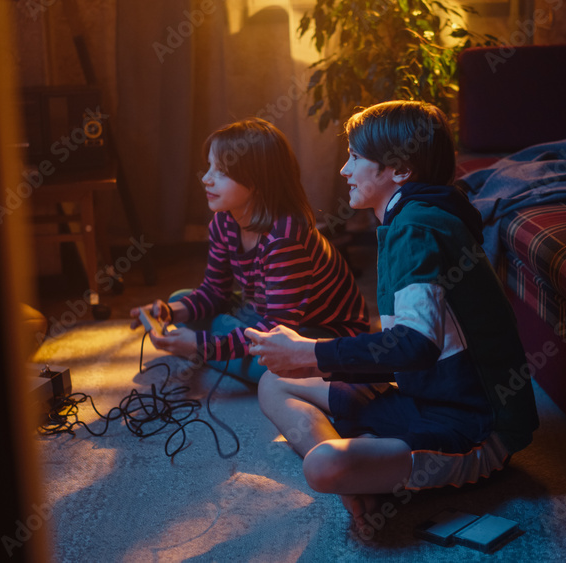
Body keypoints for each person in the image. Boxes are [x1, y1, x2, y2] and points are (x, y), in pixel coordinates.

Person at [245, 101, 540, 531]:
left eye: (355, 158)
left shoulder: (416, 227)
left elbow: (416, 344)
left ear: (399, 170)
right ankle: (362, 476)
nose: (345, 170)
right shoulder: (415, 216)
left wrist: (310, 351)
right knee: (274, 381)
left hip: (475, 430)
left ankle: (355, 471)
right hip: (422, 397)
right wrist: (304, 359)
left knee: (322, 465)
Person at [130, 118, 369, 382]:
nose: (206, 179)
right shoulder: (224, 221)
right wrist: (170, 311)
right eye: (209, 167)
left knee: (269, 369)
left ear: (256, 181)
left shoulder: (285, 237)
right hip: (264, 314)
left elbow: (278, 330)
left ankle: (228, 350)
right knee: (179, 299)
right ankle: (232, 344)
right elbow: (214, 291)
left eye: (220, 171)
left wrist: (202, 346)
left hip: (321, 334)